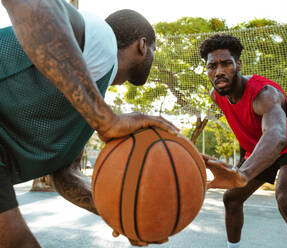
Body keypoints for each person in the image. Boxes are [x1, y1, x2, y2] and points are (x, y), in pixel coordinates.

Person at [0, 0, 178, 247]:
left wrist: (122, 214)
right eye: (154, 49)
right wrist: (106, 120)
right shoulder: (102, 39)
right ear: (142, 45)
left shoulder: (87, 93)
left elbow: (64, 174)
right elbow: (30, 4)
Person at [199, 34, 287, 248]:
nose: (219, 71)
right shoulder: (216, 95)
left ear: (238, 64)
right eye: (212, 66)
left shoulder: (264, 94)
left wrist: (243, 173)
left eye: (226, 64)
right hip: (259, 146)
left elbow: (276, 135)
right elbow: (244, 126)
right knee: (232, 199)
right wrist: (242, 162)